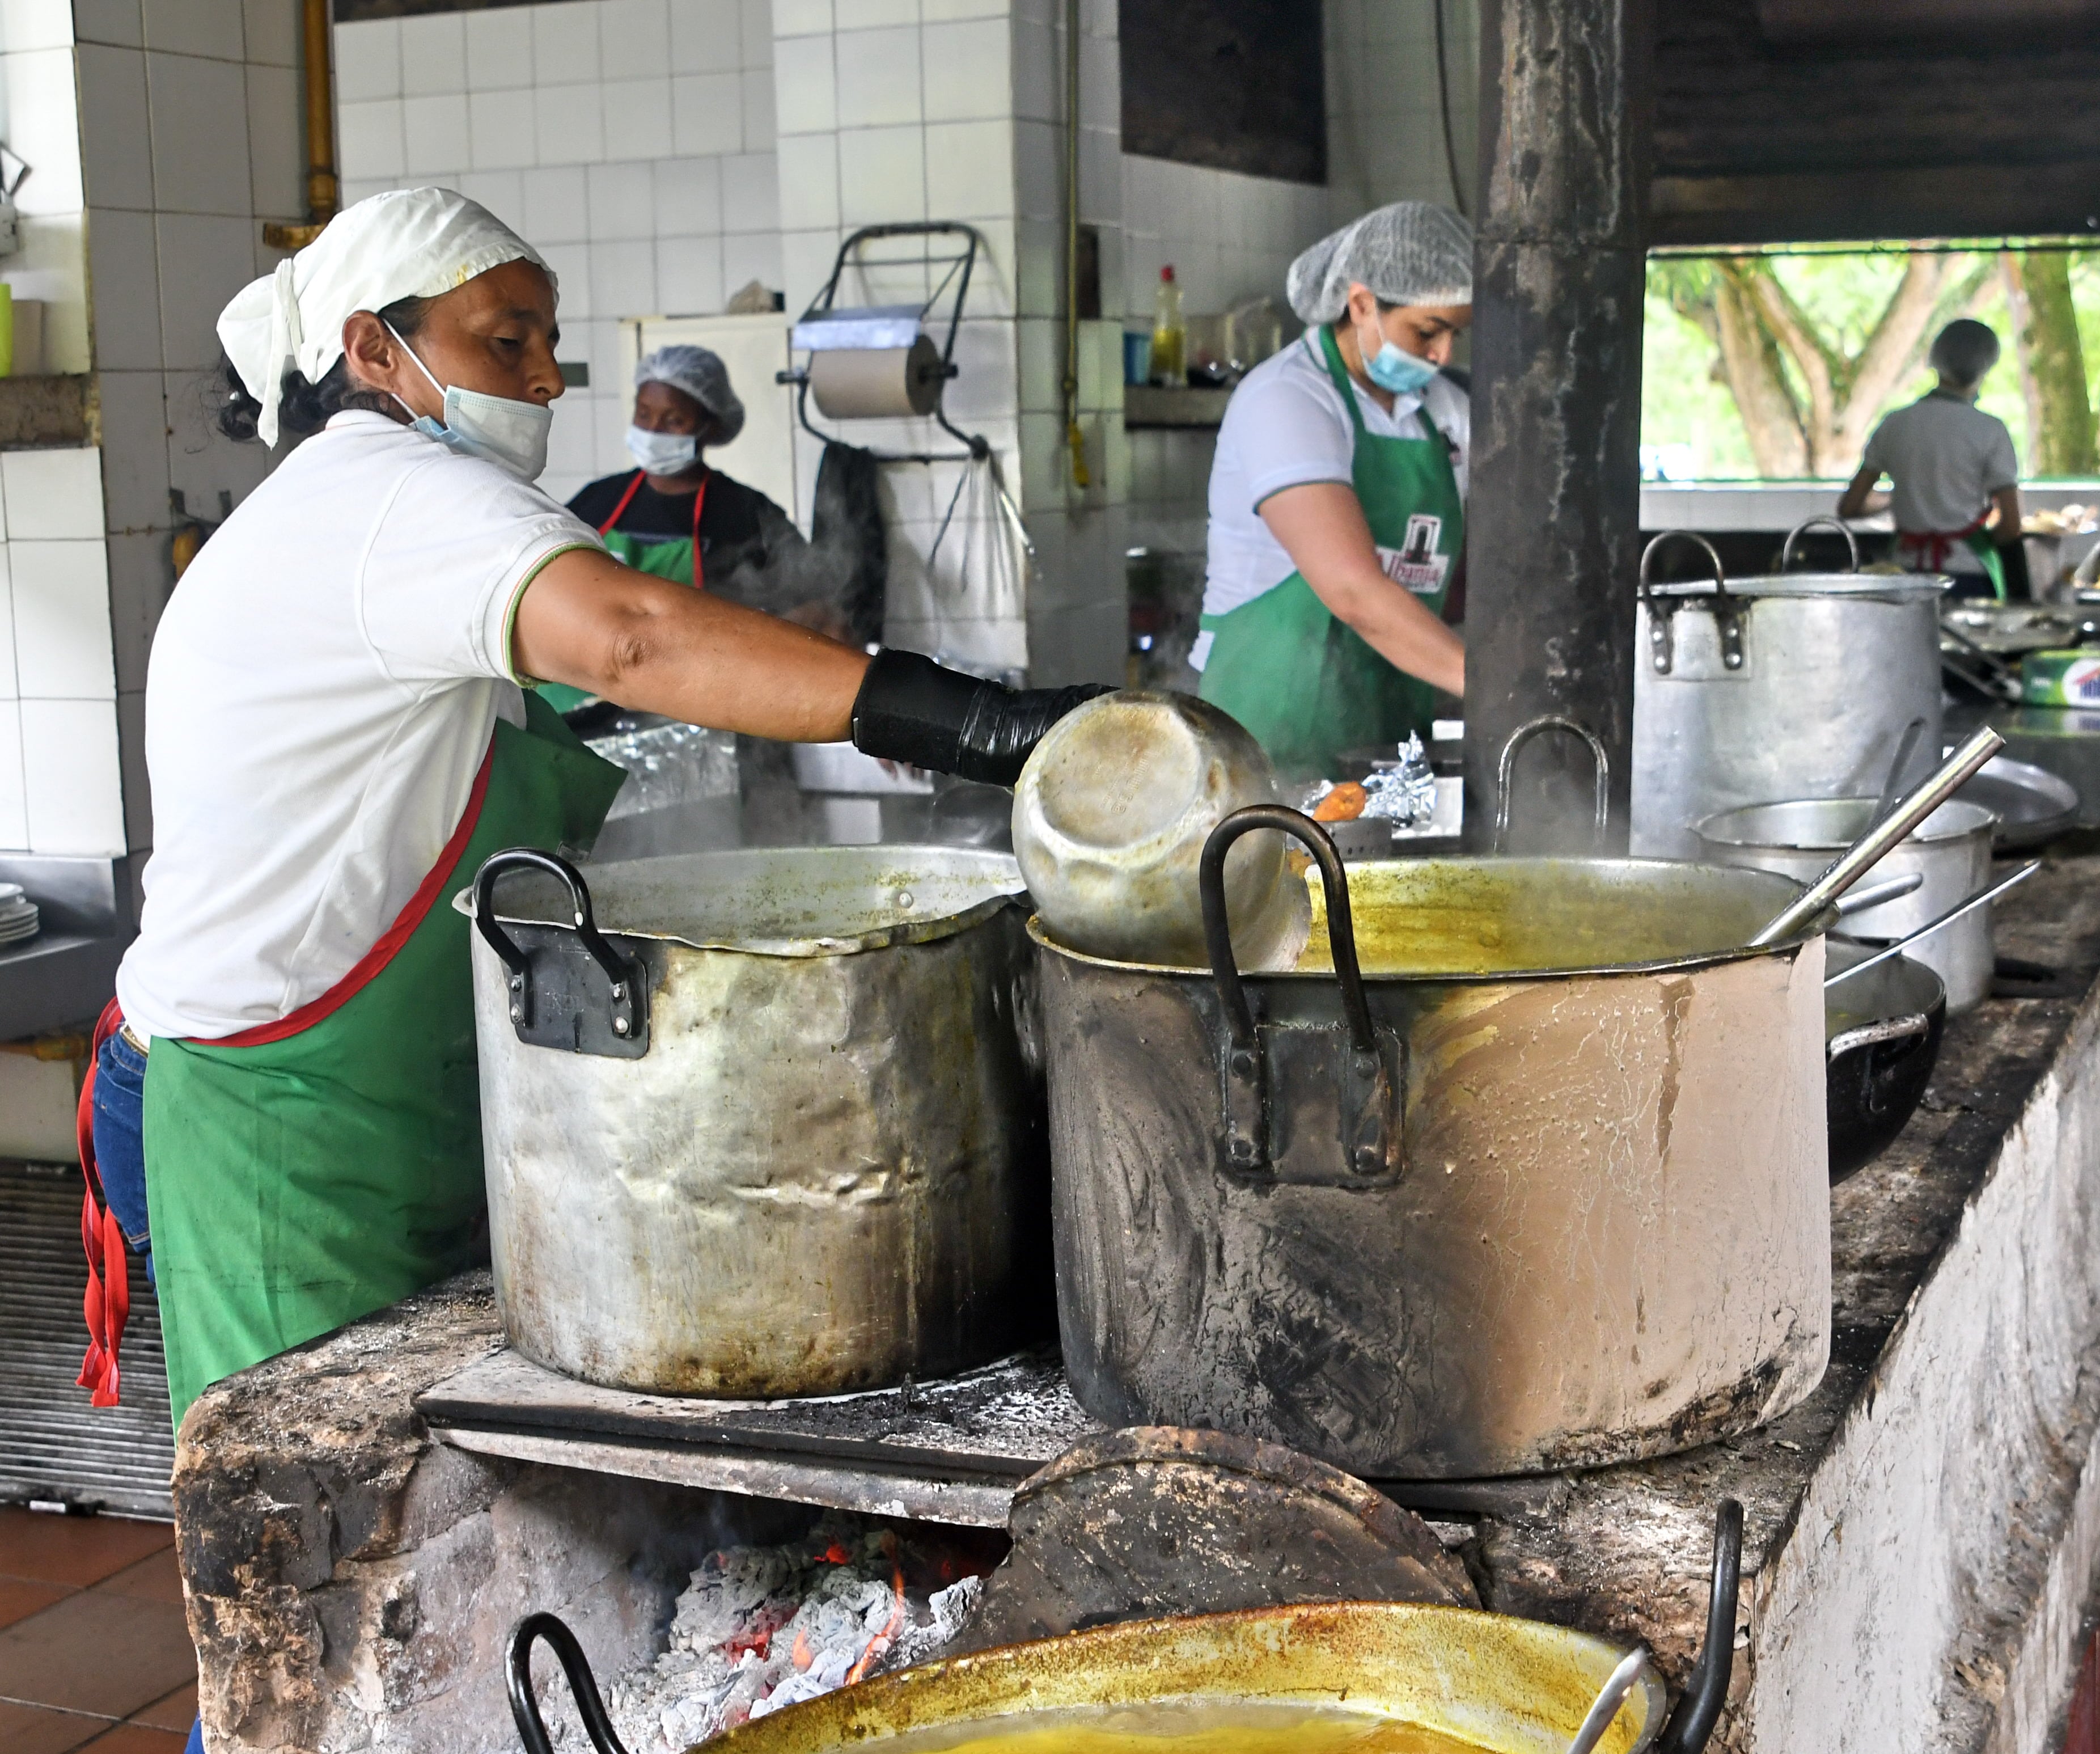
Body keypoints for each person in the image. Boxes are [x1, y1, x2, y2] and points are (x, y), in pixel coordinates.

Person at [81, 186, 1092, 1443]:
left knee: (425, 1500)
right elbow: (629, 636)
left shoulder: (393, 505)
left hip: (351, 1088)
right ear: (370, 347)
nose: (549, 377)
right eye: (506, 340)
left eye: (549, 343)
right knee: (316, 1519)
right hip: (272, 1113)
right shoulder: (385, 497)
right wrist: (989, 726)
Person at [1193, 201, 1471, 775]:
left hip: (1389, 735)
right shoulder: (1287, 399)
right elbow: (1351, 590)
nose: (1443, 354)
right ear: (1361, 303)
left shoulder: (1443, 411)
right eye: (1426, 330)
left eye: (1453, 333)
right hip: (1267, 732)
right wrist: (1491, 684)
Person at [567, 343, 835, 636]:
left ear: (712, 427)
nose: (654, 431)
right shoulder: (598, 499)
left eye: (674, 420)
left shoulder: (747, 512)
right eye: (644, 414)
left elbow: (819, 606)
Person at [1839, 319, 2023, 598]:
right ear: (1987, 366)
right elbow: (2010, 527)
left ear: (1935, 360)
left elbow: (1850, 506)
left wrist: (1903, 499)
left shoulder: (1895, 424)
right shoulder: (1990, 430)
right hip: (1968, 574)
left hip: (1905, 573)